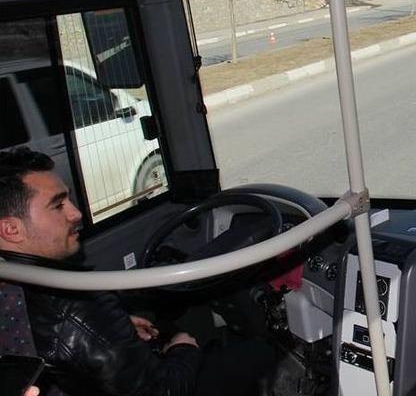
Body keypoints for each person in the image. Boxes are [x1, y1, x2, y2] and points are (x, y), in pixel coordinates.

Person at [0, 147, 276, 396]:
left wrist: (113, 326)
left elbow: (63, 340)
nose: (75, 214)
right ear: (11, 229)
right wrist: (183, 348)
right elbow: (164, 390)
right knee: (259, 353)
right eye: (58, 205)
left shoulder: (14, 290)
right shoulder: (77, 307)